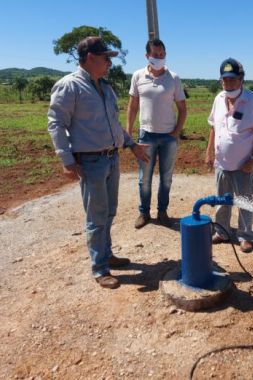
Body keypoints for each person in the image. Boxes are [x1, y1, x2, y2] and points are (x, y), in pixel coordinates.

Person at [48, 36, 149, 289]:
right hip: (91, 162)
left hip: (111, 158)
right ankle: (100, 268)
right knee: (96, 217)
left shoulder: (105, 88)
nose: (109, 64)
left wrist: (131, 145)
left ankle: (107, 254)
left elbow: (113, 125)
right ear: (90, 58)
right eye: (106, 58)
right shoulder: (69, 86)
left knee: (110, 211)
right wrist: (66, 160)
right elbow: (56, 124)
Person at [205, 58, 253, 253]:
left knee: (245, 200)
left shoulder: (251, 101)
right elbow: (213, 127)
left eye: (232, 80)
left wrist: (251, 159)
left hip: (243, 165)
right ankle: (222, 231)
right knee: (221, 200)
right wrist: (209, 151)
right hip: (221, 163)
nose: (228, 84)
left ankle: (244, 236)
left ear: (241, 79)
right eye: (224, 80)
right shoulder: (218, 99)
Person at [126, 38, 187, 229]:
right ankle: (144, 213)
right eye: (155, 54)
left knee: (166, 178)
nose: (159, 57)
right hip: (146, 136)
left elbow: (183, 108)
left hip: (168, 137)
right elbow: (133, 105)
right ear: (147, 56)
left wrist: (176, 133)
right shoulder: (137, 76)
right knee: (144, 179)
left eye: (162, 54)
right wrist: (128, 132)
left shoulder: (174, 78)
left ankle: (162, 212)